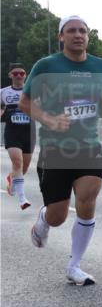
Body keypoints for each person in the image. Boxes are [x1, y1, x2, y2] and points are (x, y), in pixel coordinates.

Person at [18, 15, 102, 286]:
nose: (78, 35)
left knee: (87, 202)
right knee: (58, 216)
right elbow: (25, 102)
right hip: (54, 149)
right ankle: (43, 220)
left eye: (82, 31)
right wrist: (50, 120)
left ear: (88, 36)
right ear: (62, 36)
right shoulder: (46, 66)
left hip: (89, 147)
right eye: (71, 31)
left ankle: (75, 266)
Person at [2, 62, 35, 209]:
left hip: (29, 131)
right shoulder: (3, 92)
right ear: (10, 75)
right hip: (12, 132)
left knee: (24, 167)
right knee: (17, 163)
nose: (19, 76)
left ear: (25, 75)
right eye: (15, 73)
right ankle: (22, 199)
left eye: (21, 73)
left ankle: (12, 178)